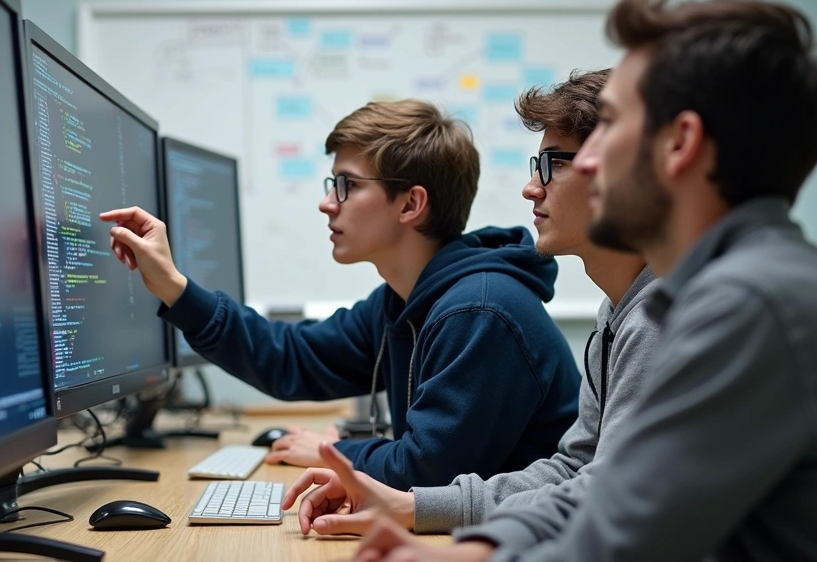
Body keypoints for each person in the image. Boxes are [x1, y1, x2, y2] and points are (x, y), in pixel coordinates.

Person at [352, 0, 817, 561]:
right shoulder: (709, 288)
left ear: (680, 144)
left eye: (610, 126)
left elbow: (625, 539)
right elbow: (596, 485)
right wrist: (473, 544)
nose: (587, 161)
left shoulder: (750, 303)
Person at [99, 99, 580, 490]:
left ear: (410, 204)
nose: (327, 203)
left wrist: (333, 452)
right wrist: (174, 288)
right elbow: (294, 357)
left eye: (346, 185)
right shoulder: (403, 301)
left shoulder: (480, 311)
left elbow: (427, 473)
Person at [281, 69, 664, 537]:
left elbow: (605, 495)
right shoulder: (616, 314)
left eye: (553, 164)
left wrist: (351, 461)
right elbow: (573, 469)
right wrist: (413, 508)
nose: (531, 187)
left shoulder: (655, 320)